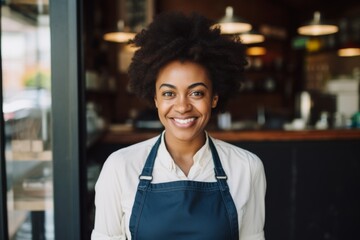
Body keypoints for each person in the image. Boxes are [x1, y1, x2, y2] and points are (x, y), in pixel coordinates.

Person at [91, 11, 266, 240]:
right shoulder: (120, 167)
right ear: (155, 99)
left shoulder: (247, 168)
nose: (182, 106)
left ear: (214, 97)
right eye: (168, 93)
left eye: (196, 92)